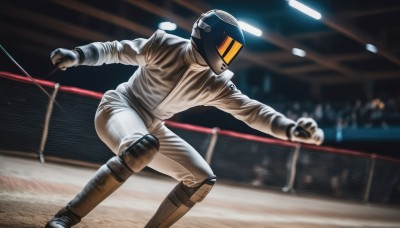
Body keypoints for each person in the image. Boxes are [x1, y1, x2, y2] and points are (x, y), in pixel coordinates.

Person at [45, 9, 324, 228]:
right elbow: (116, 50)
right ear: (208, 36)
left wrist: (291, 129)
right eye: (225, 47)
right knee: (141, 146)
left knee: (202, 179)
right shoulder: (164, 44)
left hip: (153, 126)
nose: (227, 56)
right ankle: (67, 217)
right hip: (119, 107)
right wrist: (78, 55)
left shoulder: (217, 84)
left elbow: (252, 111)